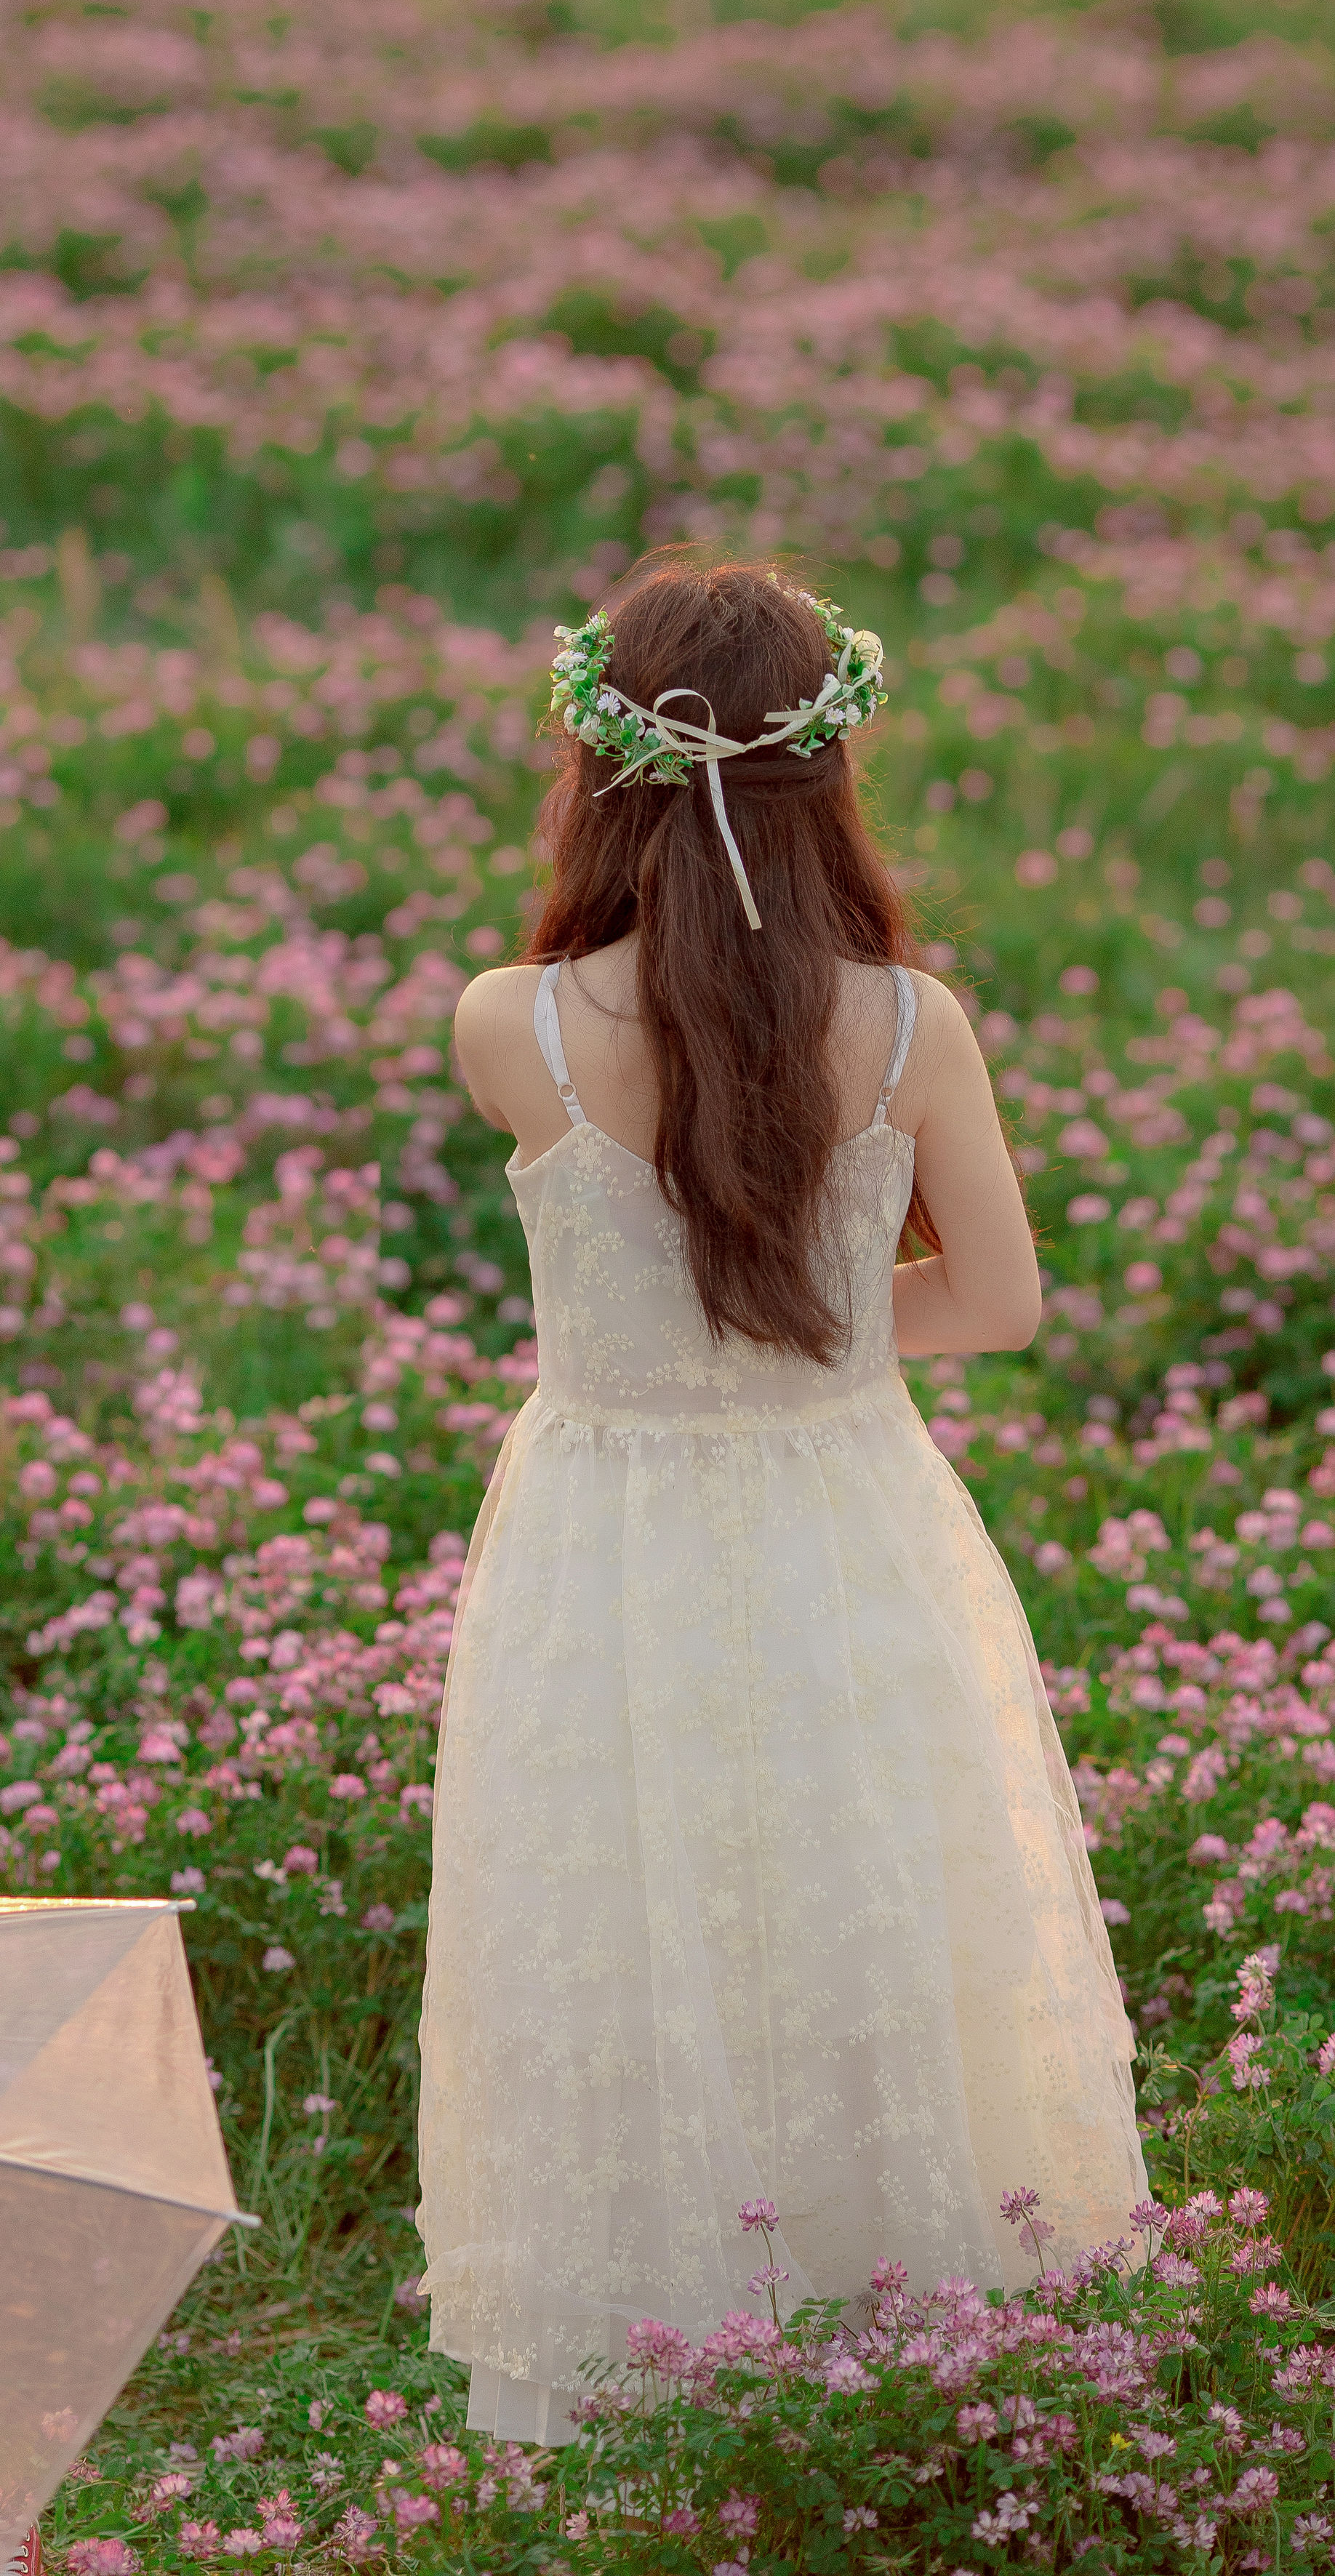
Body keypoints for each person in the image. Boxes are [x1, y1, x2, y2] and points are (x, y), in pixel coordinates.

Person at [414, 556, 1144, 2449]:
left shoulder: (512, 1024)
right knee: (866, 1885)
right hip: (847, 1508)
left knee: (621, 1892)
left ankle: (641, 2340)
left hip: (604, 1533)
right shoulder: (907, 1024)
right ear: (831, 766)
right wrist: (811, 1338)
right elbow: (993, 1298)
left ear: (601, 762)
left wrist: (688, 1347)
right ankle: (895, 2306)